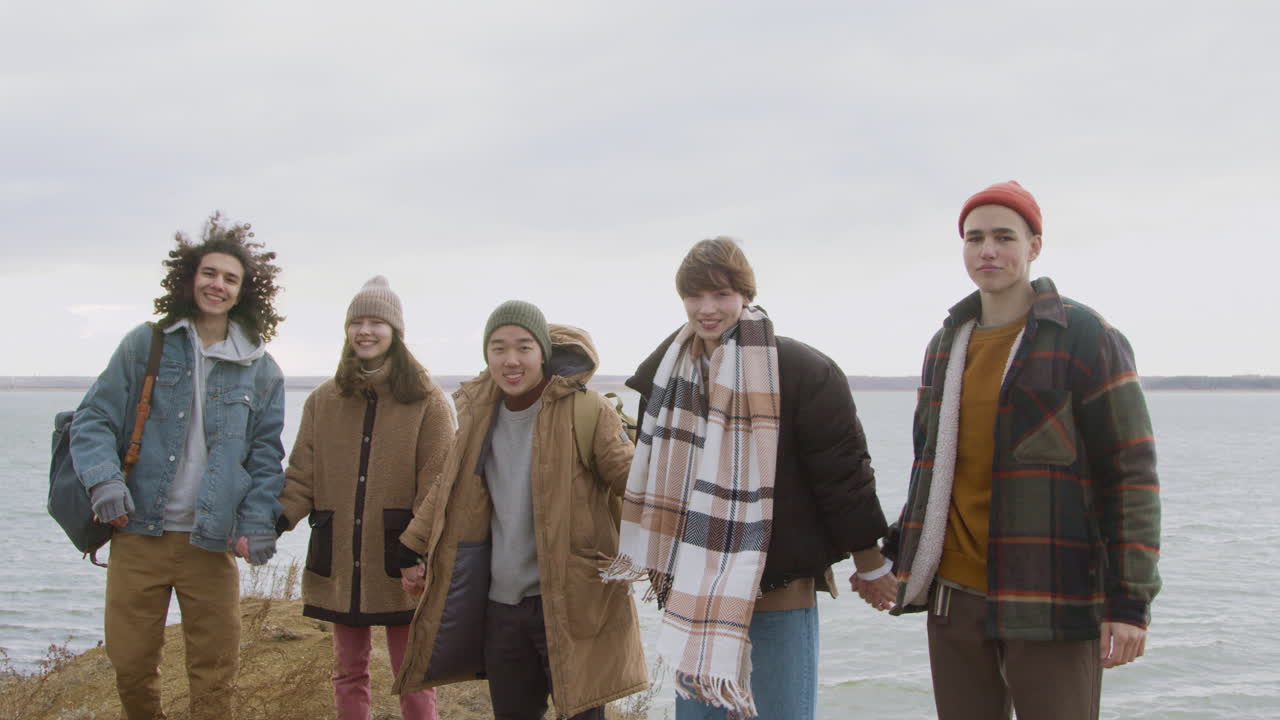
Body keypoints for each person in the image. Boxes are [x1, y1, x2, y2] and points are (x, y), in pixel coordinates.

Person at [878, 181, 1163, 720]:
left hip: (1051, 597)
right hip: (953, 596)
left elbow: (1131, 475)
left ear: (1034, 246)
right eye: (975, 237)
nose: (988, 250)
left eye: (1004, 237)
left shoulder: (1085, 336)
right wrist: (898, 551)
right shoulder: (946, 344)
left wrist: (1130, 603)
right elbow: (931, 465)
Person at [605, 237, 895, 720]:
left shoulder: (801, 370)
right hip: (692, 592)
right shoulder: (662, 375)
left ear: (745, 293)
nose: (707, 308)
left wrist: (870, 561)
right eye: (694, 296)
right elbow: (654, 473)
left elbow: (842, 475)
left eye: (721, 294)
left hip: (779, 587)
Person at [70, 212, 287, 720]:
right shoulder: (146, 344)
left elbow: (265, 456)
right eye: (210, 273)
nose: (218, 284)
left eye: (230, 278)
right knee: (130, 664)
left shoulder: (262, 368)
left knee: (215, 674)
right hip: (137, 533)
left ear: (244, 291)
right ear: (190, 277)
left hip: (210, 543)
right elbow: (93, 419)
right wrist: (104, 482)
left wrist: (255, 526)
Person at [392, 300, 647, 720]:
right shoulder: (478, 414)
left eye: (524, 347)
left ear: (543, 353)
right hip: (501, 608)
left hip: (571, 604)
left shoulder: (586, 410)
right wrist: (413, 545)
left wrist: (684, 540)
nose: (511, 360)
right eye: (498, 347)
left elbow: (633, 484)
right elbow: (448, 484)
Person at [277, 276, 454, 720]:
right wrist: (273, 523)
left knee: (412, 673)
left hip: (403, 558)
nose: (366, 331)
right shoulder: (322, 400)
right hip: (339, 554)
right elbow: (302, 474)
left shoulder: (429, 401)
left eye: (377, 322)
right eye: (357, 322)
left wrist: (418, 550)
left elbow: (439, 484)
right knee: (347, 671)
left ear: (395, 332)